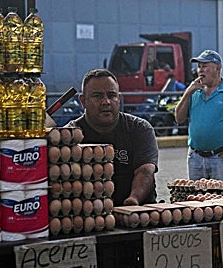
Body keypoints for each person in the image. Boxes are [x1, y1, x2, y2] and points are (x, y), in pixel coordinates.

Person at [66, 68, 158, 206]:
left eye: (111, 95)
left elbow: (145, 170)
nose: (106, 102)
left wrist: (133, 201)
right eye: (97, 96)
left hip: (136, 211)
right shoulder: (70, 135)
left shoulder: (140, 128)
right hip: (89, 214)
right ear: (83, 101)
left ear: (119, 98)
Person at [174, 49, 223, 184]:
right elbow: (178, 118)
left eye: (205, 66)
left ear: (217, 68)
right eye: (199, 67)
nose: (200, 70)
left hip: (219, 157)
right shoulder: (194, 92)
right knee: (197, 199)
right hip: (195, 157)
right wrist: (187, 93)